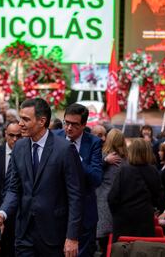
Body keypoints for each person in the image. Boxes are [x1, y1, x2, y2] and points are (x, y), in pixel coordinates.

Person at [0, 98, 84, 256]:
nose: (20, 124)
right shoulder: (19, 148)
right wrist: (2, 213)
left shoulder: (65, 150)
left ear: (42, 121)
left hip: (54, 234)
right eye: (20, 118)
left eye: (26, 119)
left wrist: (72, 236)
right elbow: (14, 189)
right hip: (24, 234)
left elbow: (75, 196)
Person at [54, 103, 102, 257]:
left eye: (74, 124)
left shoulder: (93, 142)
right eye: (66, 123)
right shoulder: (54, 138)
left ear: (83, 125)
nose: (68, 128)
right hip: (56, 212)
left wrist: (75, 156)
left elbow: (96, 178)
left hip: (84, 214)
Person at [108, 138, 162, 242]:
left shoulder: (124, 170)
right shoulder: (153, 171)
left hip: (123, 218)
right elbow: (158, 196)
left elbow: (112, 197)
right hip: (145, 218)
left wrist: (117, 213)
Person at [0, 120, 21, 257]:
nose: (15, 139)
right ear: (5, 134)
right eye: (11, 135)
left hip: (19, 214)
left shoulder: (27, 154)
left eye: (19, 136)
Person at [96, 129, 128, 257]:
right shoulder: (126, 158)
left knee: (103, 235)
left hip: (103, 198)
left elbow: (94, 174)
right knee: (114, 235)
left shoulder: (103, 155)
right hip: (120, 200)